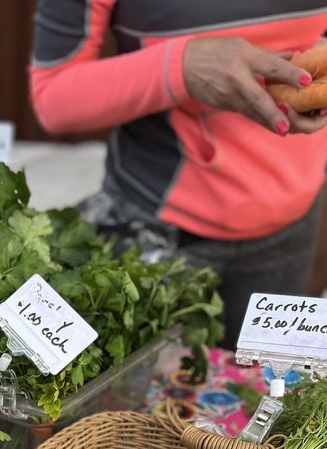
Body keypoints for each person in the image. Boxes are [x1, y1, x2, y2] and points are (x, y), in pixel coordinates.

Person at [28, 3, 327, 347]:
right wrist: (181, 67)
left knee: (260, 389)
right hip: (159, 230)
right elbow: (52, 97)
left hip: (294, 218)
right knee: (135, 397)